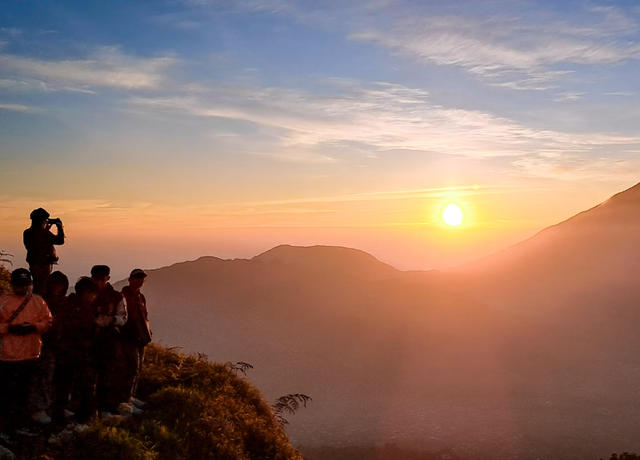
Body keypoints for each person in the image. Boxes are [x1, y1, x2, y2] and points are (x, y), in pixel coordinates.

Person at [0, 269, 52, 434]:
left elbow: (48, 321)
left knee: (25, 393)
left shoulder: (38, 301)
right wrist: (9, 328)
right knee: (9, 394)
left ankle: (20, 424)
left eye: (26, 285)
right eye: (20, 285)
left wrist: (34, 327)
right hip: (8, 356)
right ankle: (10, 426)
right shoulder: (4, 302)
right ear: (13, 285)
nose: (23, 289)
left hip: (31, 354)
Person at [51, 277, 99, 427]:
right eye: (92, 294)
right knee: (78, 387)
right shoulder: (78, 308)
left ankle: (63, 415)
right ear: (85, 293)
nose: (94, 298)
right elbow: (80, 331)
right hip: (75, 354)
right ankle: (79, 419)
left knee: (64, 387)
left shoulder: (68, 305)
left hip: (66, 354)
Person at [30, 271, 70, 425]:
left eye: (61, 285)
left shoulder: (64, 303)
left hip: (62, 346)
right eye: (55, 284)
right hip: (45, 346)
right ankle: (40, 408)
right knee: (44, 377)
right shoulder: (42, 302)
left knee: (59, 378)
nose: (57, 288)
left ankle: (55, 406)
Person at [90, 265, 127, 418]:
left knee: (107, 374)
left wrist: (110, 320)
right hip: (90, 339)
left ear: (107, 279)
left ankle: (105, 407)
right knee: (89, 374)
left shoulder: (117, 297)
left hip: (109, 339)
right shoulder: (86, 293)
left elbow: (123, 318)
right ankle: (89, 407)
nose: (99, 282)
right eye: (96, 278)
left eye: (102, 279)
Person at [119, 269, 152, 411]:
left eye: (142, 278)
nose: (139, 281)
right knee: (131, 368)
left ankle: (131, 396)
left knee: (137, 368)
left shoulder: (140, 297)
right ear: (130, 279)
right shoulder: (123, 296)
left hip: (141, 337)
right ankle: (125, 399)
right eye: (136, 278)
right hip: (129, 337)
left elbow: (144, 316)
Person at [23, 208, 65, 295]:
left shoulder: (28, 232)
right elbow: (60, 241)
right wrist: (59, 227)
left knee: (39, 285)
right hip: (41, 264)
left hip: (36, 264)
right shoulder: (42, 233)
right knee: (41, 287)